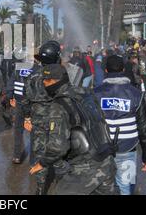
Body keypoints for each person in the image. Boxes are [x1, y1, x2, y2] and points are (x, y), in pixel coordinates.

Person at [24, 63, 119, 195]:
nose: (44, 84)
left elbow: (58, 147)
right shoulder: (87, 93)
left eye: (46, 81)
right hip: (106, 160)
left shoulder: (58, 106)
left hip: (84, 170)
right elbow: (101, 121)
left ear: (53, 81)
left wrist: (42, 163)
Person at [93, 55, 146, 195]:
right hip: (128, 148)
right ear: (124, 69)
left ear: (106, 70)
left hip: (102, 148)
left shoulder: (95, 93)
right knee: (125, 188)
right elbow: (144, 127)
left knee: (100, 187)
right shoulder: (136, 94)